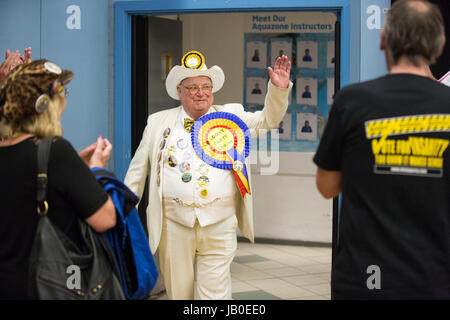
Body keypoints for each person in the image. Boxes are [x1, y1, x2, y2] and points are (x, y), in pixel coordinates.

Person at [125, 51, 292, 300]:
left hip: (219, 222)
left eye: (206, 86)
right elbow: (137, 174)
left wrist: (278, 90)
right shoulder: (158, 122)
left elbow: (267, 120)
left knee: (213, 296)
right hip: (173, 224)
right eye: (192, 87)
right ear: (179, 92)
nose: (200, 92)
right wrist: (122, 214)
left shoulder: (230, 116)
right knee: (179, 294)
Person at [313, 0, 450, 299]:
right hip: (436, 277)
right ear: (439, 47)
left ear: (384, 39)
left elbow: (326, 186)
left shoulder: (352, 101)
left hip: (365, 278)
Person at [0, 59, 117, 299]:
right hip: (50, 285)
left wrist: (76, 166)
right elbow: (105, 219)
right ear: (48, 105)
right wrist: (95, 170)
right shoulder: (56, 152)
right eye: (62, 93)